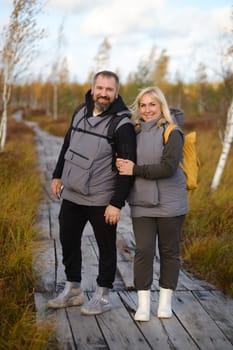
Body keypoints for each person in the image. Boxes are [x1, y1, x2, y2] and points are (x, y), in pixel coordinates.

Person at [47, 70, 136, 315]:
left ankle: (103, 297)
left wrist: (116, 203)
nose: (104, 93)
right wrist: (57, 174)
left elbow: (127, 169)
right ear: (92, 88)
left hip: (101, 198)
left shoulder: (122, 124)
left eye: (109, 89)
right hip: (73, 193)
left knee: (106, 247)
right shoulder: (79, 111)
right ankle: (73, 290)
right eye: (100, 88)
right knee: (68, 240)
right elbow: (68, 144)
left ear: (116, 92)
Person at [116, 86, 189, 321]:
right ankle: (144, 304)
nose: (147, 110)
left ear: (161, 106)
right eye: (143, 105)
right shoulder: (133, 132)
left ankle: (165, 302)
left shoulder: (172, 132)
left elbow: (168, 168)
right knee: (143, 251)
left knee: (169, 252)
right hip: (142, 202)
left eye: (152, 104)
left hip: (171, 203)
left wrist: (134, 169)